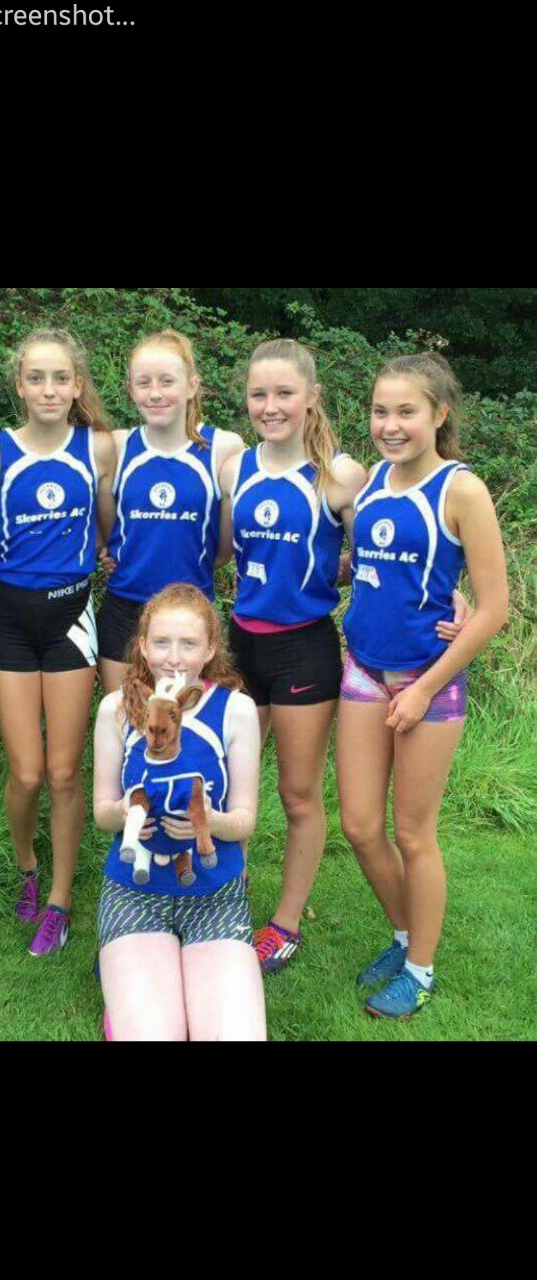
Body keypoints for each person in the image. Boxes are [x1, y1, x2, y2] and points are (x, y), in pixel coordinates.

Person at [337, 353, 509, 1019]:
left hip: (426, 684)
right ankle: (406, 933)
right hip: (363, 670)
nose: (390, 424)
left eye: (406, 411)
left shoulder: (462, 490)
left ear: (439, 414)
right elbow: (384, 570)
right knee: (359, 825)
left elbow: (493, 608)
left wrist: (423, 689)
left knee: (413, 833)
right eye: (380, 411)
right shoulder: (373, 480)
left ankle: (420, 969)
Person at [0, 329, 116, 956]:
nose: (49, 390)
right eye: (36, 378)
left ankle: (59, 900)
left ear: (77, 385)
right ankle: (27, 863)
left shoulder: (98, 447)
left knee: (62, 772)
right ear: (19, 385)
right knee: (26, 774)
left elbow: (108, 529)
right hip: (8, 620)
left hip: (71, 618)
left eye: (60, 378)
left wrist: (103, 554)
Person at [219, 340, 368, 975]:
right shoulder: (234, 468)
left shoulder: (342, 475)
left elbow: (379, 558)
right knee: (228, 780)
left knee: (298, 793)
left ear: (312, 397)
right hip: (239, 645)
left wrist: (454, 599)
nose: (271, 406)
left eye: (284, 393)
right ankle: (225, 899)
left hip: (303, 649)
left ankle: (284, 924)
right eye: (259, 394)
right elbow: (221, 551)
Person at [94, 584, 266, 1041]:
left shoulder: (237, 710)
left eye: (188, 644)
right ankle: (130, 986)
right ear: (143, 646)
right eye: (162, 642)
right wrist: (127, 810)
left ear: (210, 649)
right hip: (135, 891)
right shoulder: (115, 709)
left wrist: (209, 819)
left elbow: (245, 819)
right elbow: (101, 814)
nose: (174, 658)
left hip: (214, 892)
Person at [96, 330, 244, 694]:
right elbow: (108, 527)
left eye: (167, 381)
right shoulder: (117, 446)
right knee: (125, 717)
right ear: (131, 389)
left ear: (192, 385)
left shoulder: (223, 449)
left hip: (191, 614)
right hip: (125, 608)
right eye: (144, 383)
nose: (155, 393)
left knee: (187, 721)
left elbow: (223, 548)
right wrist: (111, 552)